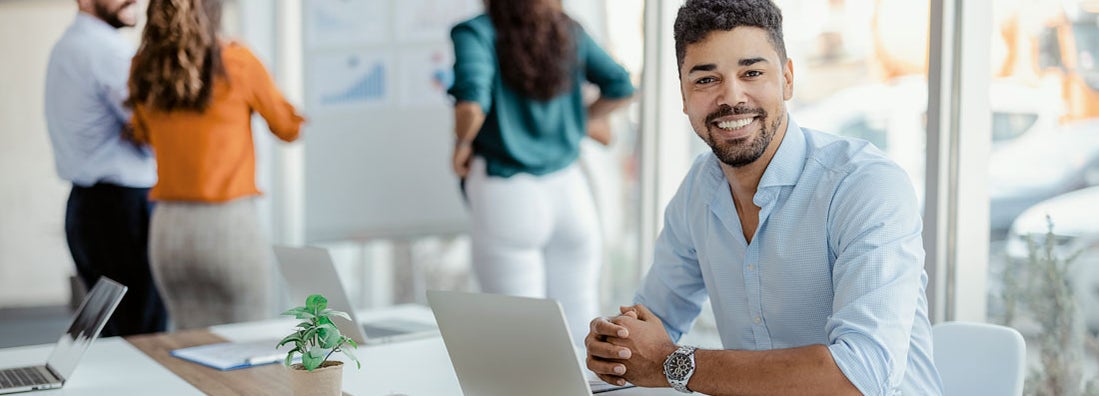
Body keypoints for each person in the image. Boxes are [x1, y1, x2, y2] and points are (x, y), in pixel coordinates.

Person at [584, 0, 943, 394]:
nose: (731, 97)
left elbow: (861, 375)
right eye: (706, 80)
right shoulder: (698, 191)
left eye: (752, 72)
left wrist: (674, 364)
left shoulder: (864, 185)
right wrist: (617, 345)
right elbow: (653, 322)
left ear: (788, 79)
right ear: (684, 97)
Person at [448, 0, 635, 345]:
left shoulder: (476, 32)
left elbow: (472, 106)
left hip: (507, 193)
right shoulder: (567, 29)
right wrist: (581, 119)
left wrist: (461, 145)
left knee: (519, 336)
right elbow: (621, 85)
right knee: (582, 327)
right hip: (571, 193)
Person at [126, 0, 304, 329]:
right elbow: (287, 128)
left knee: (185, 339)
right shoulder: (238, 62)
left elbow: (141, 134)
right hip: (227, 226)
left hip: (169, 229)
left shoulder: (143, 67)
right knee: (248, 339)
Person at [44, 0, 169, 337]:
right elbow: (157, 133)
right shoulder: (108, 52)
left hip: (88, 207)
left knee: (117, 333)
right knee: (143, 335)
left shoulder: (67, 46)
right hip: (122, 211)